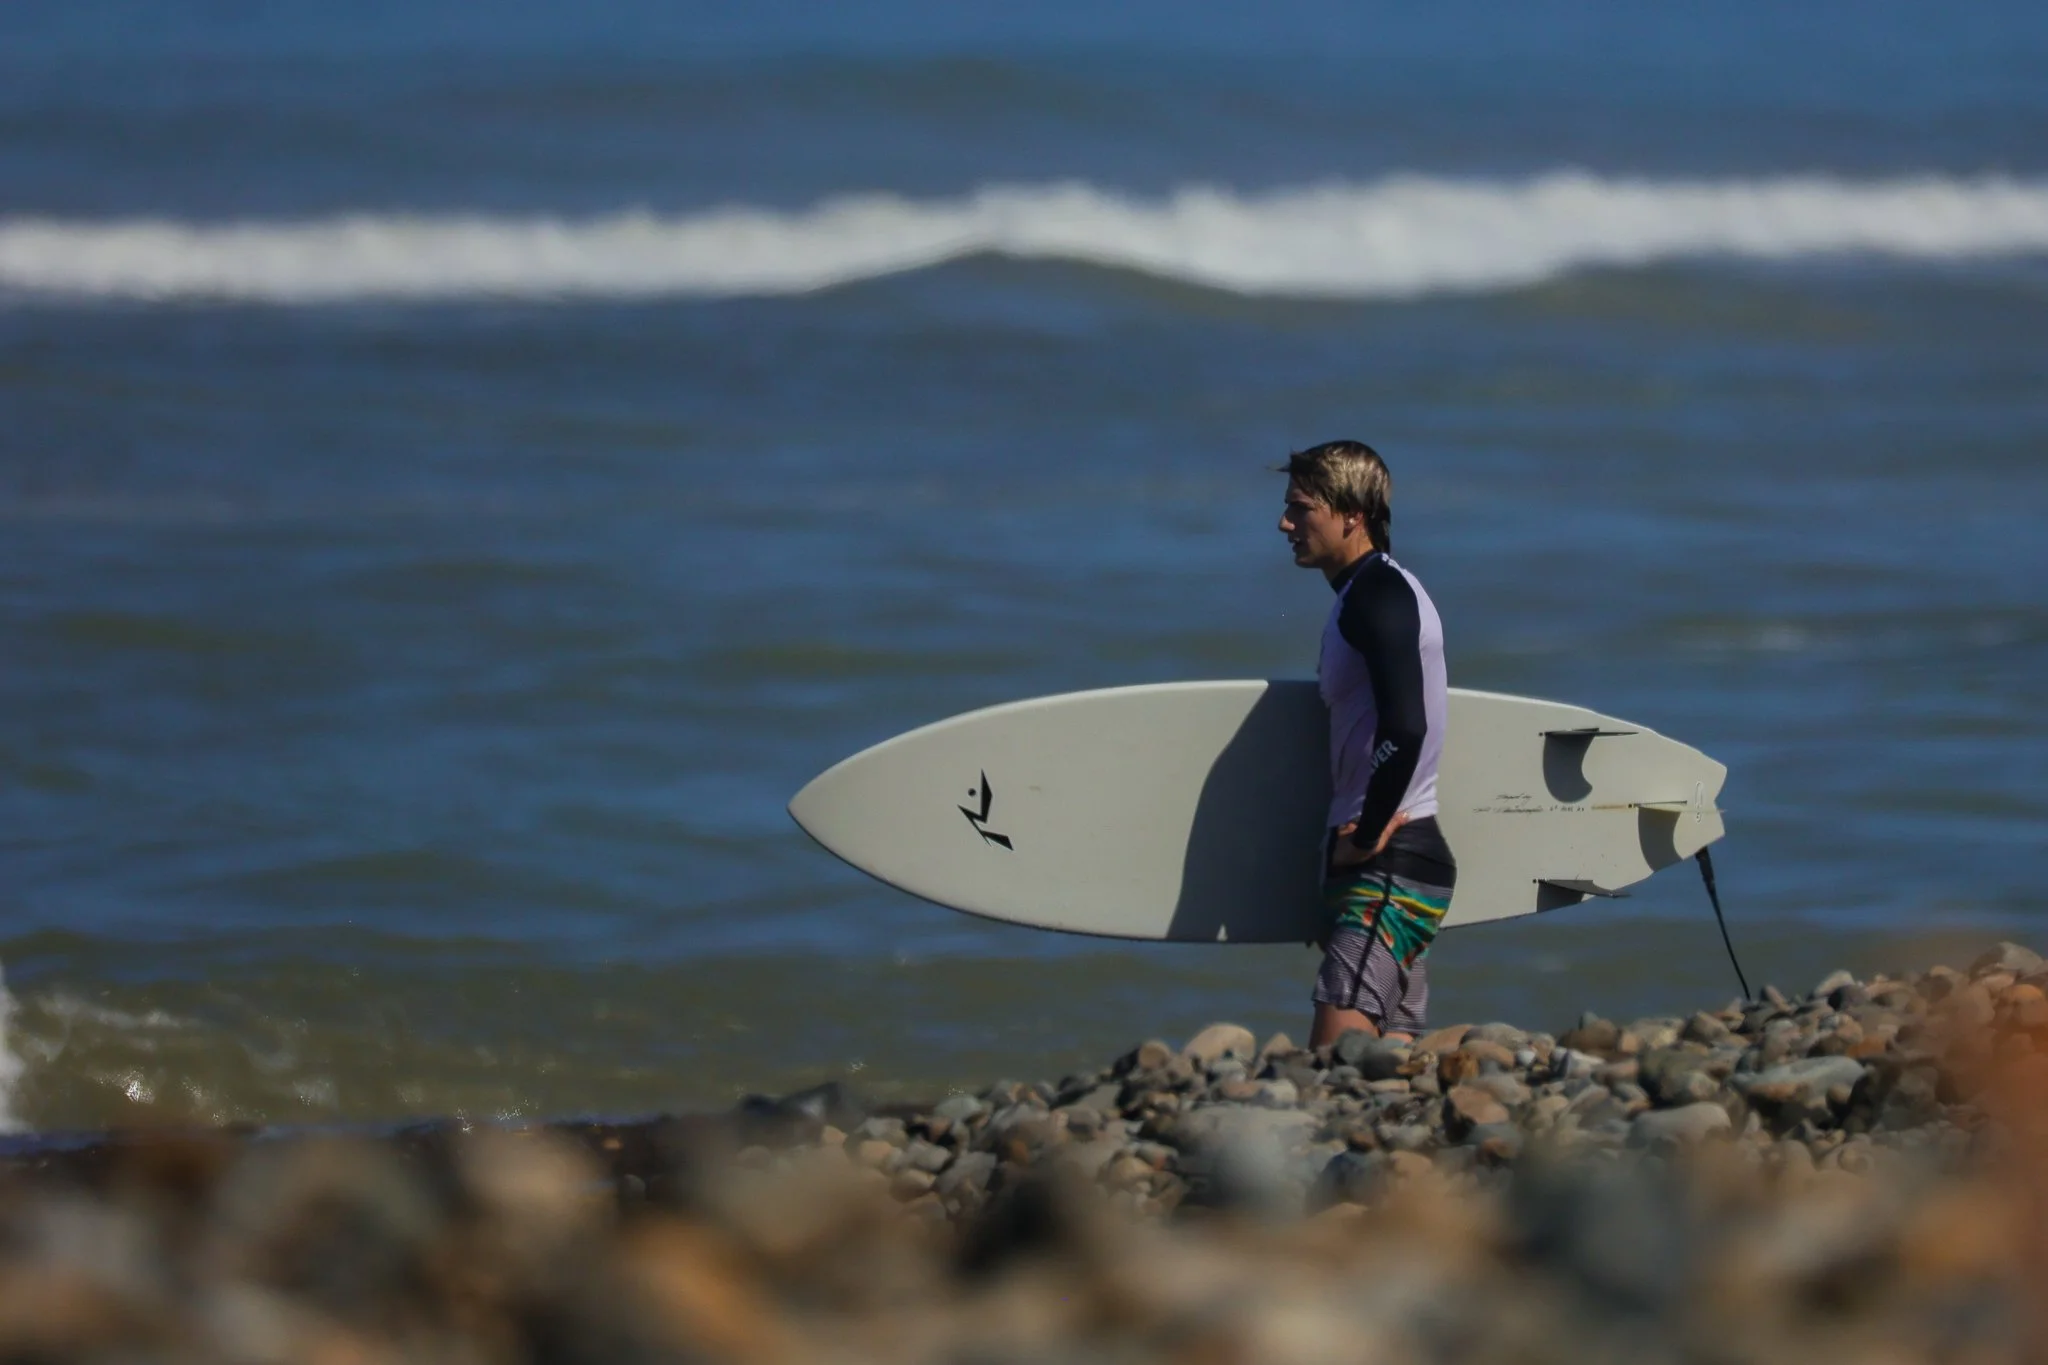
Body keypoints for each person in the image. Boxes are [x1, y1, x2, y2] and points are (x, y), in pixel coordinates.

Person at [1277, 440, 1456, 1046]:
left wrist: (1366, 832)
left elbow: (1406, 727)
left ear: (1352, 514)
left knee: (1331, 1076)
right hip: (1392, 869)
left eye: (1302, 509)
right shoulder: (1370, 593)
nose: (1286, 523)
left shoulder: (1378, 596)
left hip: (1388, 868)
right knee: (1385, 1086)